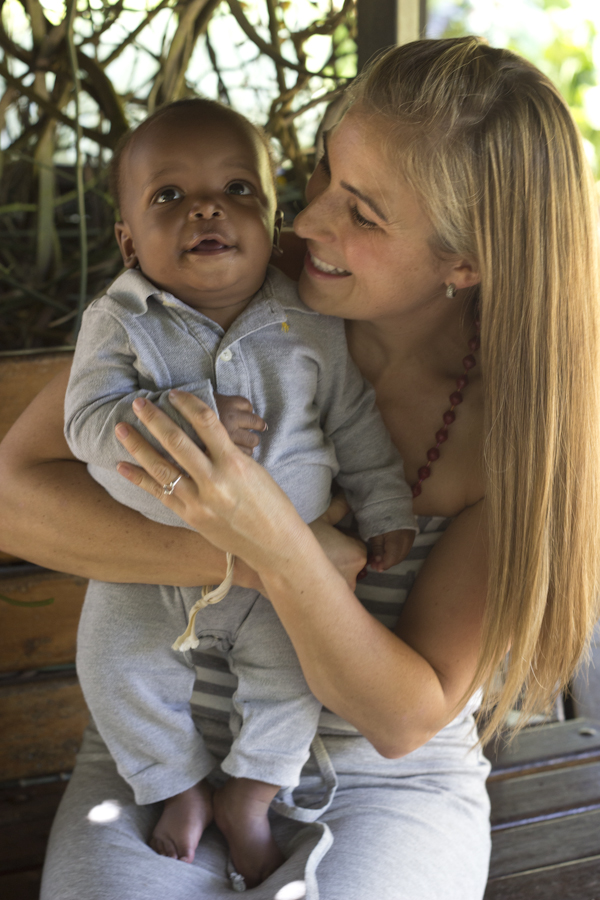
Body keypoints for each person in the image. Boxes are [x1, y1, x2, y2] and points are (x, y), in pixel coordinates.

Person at [0, 36, 599, 900]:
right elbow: (13, 495)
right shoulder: (234, 284)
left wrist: (282, 548)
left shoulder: (520, 430)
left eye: (363, 213)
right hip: (161, 752)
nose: (308, 221)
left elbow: (400, 719)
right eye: (323, 171)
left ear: (464, 262)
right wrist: (253, 555)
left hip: (382, 787)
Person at [61, 98, 416, 887]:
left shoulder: (309, 321)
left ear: (273, 220)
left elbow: (353, 421)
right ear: (128, 240)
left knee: (293, 681)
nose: (207, 208)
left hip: (280, 576)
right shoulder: (120, 321)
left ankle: (250, 800)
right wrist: (177, 418)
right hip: (150, 564)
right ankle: (176, 787)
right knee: (114, 666)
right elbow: (84, 423)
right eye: (169, 196)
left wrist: (386, 505)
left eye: (237, 189)